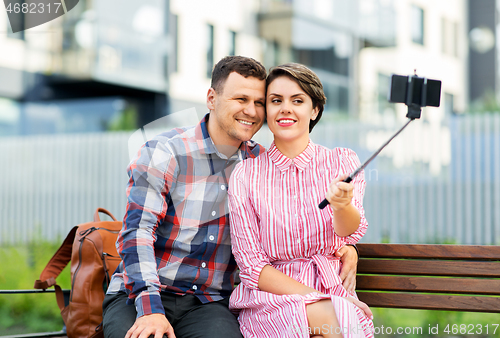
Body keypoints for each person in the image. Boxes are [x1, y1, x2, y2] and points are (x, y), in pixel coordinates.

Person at [102, 56, 360, 338]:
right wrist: (151, 310)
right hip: (142, 294)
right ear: (212, 98)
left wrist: (347, 247)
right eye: (240, 99)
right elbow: (137, 233)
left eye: (259, 102)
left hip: (207, 303)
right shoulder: (165, 152)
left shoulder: (260, 165)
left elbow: (299, 226)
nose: (251, 111)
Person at [227, 63, 374, 338]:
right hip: (270, 299)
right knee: (341, 321)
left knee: (340, 320)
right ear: (266, 110)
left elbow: (349, 231)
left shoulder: (341, 162)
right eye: (275, 101)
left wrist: (342, 205)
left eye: (297, 100)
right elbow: (252, 266)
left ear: (314, 109)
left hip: (330, 286)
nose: (285, 108)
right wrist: (318, 298)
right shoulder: (246, 174)